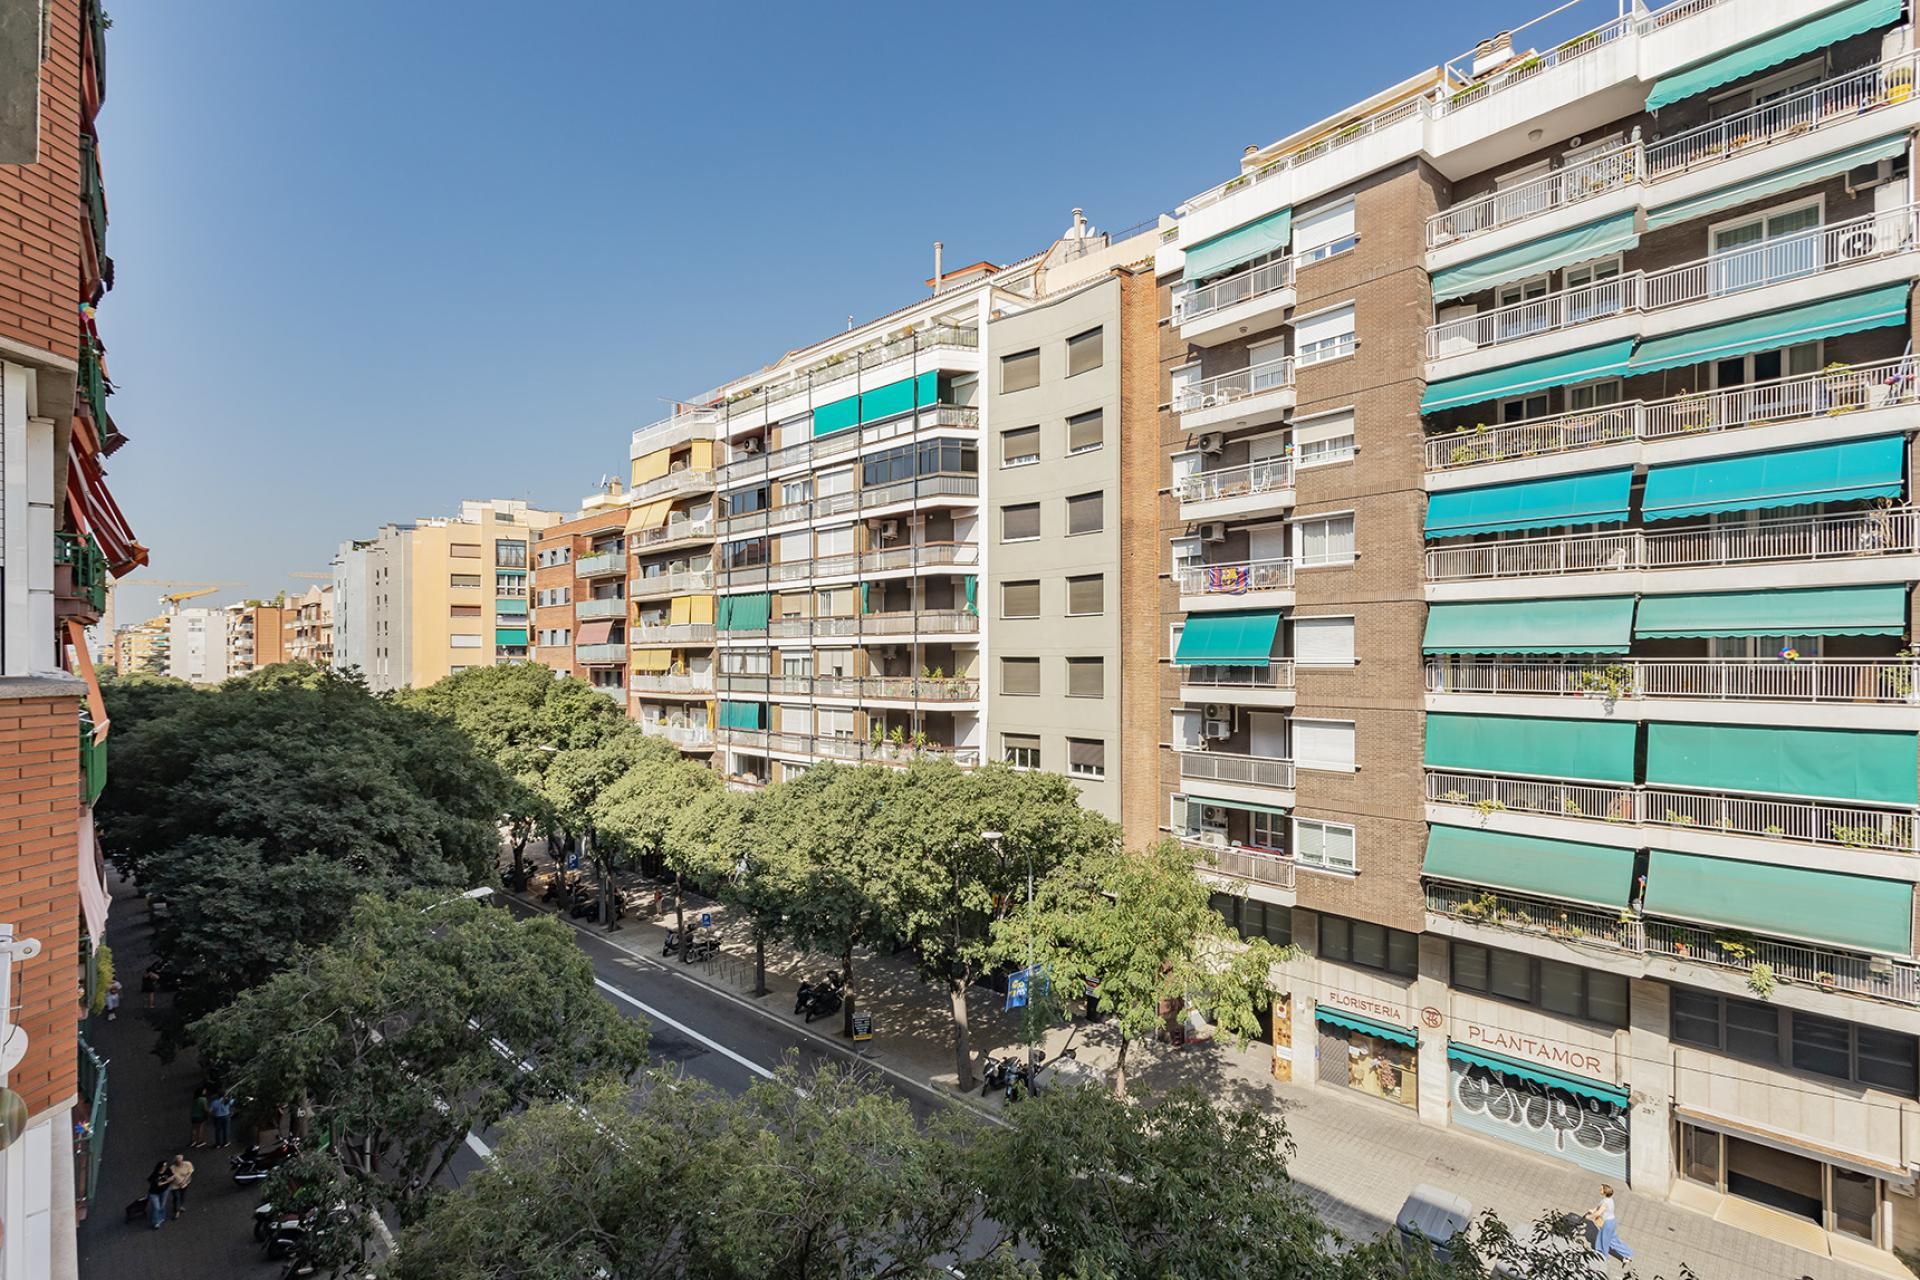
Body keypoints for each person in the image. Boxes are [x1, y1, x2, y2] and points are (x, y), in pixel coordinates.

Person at [1589, 1183, 1633, 1262]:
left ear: (1605, 1192)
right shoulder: (1609, 1200)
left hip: (1607, 1224)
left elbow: (1599, 1213)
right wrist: (1593, 1210)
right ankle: (1628, 1253)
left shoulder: (1605, 1202)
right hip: (1612, 1222)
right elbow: (1599, 1207)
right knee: (1613, 1240)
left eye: (1601, 1189)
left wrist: (1589, 1217)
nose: (1599, 1190)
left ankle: (1601, 1255)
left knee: (1604, 1240)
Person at [144, 1158, 172, 1230]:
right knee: (157, 1207)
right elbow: (156, 1183)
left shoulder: (168, 1170)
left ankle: (161, 1217)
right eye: (163, 1166)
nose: (165, 1167)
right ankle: (156, 1222)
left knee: (162, 1205)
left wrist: (166, 1182)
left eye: (166, 1165)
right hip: (154, 1193)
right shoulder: (155, 1174)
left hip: (165, 1191)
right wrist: (166, 1181)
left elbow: (172, 1177)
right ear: (160, 1167)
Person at [166, 1153, 194, 1219]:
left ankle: (180, 1205)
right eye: (178, 1162)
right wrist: (179, 1182)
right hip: (174, 1186)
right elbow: (171, 1177)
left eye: (181, 1161)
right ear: (175, 1162)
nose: (180, 1163)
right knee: (176, 1197)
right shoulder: (172, 1168)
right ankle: (177, 1211)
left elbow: (189, 1173)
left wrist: (184, 1181)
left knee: (183, 1195)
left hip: (185, 1184)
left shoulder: (187, 1164)